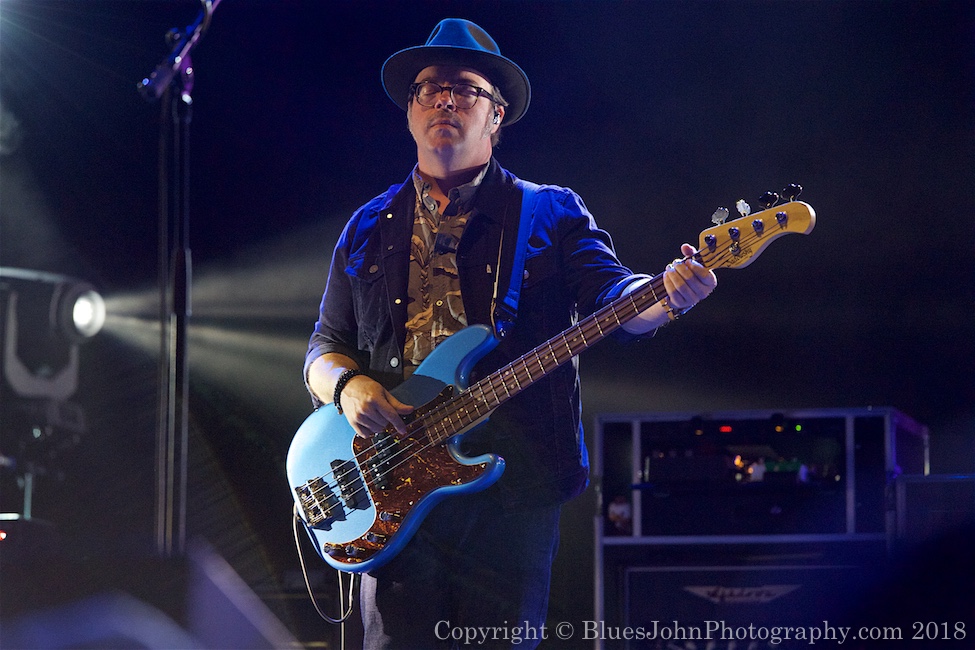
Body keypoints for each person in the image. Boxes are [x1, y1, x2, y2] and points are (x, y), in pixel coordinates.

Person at [303, 18, 717, 649]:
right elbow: (323, 346)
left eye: (463, 89)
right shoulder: (365, 226)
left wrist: (668, 294)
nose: (444, 99)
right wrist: (346, 387)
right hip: (390, 487)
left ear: (496, 117)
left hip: (513, 492)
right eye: (429, 88)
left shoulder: (548, 210)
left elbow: (617, 299)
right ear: (410, 113)